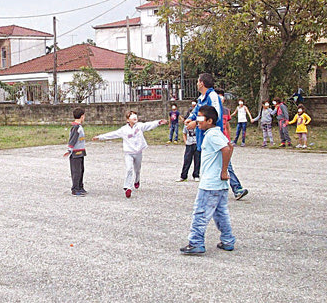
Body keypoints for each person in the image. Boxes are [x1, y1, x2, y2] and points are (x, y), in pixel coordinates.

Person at [180, 105, 236, 255]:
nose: (198, 122)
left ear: (210, 120)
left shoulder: (212, 135)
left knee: (201, 212)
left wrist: (223, 171)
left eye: (200, 119)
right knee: (220, 213)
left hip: (211, 183)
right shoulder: (216, 133)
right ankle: (228, 240)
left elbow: (226, 148)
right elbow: (230, 146)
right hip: (219, 184)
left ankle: (196, 242)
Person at [184, 73, 248, 200]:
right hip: (203, 135)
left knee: (222, 159)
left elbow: (214, 115)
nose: (197, 83)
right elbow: (196, 111)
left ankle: (235, 187)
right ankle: (212, 188)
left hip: (213, 133)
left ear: (202, 83)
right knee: (210, 161)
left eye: (198, 81)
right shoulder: (202, 97)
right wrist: (190, 119)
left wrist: (196, 122)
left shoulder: (212, 96)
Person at [93, 110, 167, 198]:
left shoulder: (139, 126)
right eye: (132, 116)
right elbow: (112, 134)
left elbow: (149, 125)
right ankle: (128, 187)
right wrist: (99, 137)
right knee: (129, 169)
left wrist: (158, 122)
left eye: (135, 116)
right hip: (128, 153)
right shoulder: (123, 130)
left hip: (138, 152)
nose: (134, 117)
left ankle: (137, 180)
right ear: (128, 120)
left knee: (137, 169)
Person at [63, 107, 87, 196]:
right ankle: (75, 189)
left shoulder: (80, 127)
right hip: (75, 153)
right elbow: (72, 139)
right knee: (76, 171)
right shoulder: (75, 127)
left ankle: (80, 186)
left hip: (81, 152)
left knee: (81, 170)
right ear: (82, 116)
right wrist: (69, 150)